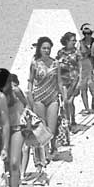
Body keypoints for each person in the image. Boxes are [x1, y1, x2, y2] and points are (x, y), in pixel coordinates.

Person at [0, 68, 29, 187]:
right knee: (7, 164)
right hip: (2, 130)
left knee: (14, 162)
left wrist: (25, 116)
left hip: (17, 127)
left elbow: (26, 103)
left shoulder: (15, 91)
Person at [28, 36, 62, 171]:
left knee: (51, 129)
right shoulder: (35, 63)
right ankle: (44, 155)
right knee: (41, 128)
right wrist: (30, 96)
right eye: (44, 48)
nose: (47, 51)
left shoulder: (56, 63)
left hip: (53, 97)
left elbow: (59, 82)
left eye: (48, 48)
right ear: (39, 49)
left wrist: (64, 98)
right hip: (39, 98)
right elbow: (30, 80)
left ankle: (49, 150)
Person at [56, 31, 81, 131]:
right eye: (73, 40)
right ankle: (67, 121)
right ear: (66, 41)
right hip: (63, 80)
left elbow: (81, 67)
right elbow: (57, 65)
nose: (75, 42)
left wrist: (79, 82)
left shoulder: (77, 53)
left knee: (70, 102)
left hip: (73, 81)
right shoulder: (60, 52)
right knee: (65, 101)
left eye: (75, 40)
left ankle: (73, 120)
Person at [77, 24, 94, 115]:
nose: (86, 35)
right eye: (85, 33)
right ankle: (86, 108)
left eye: (88, 33)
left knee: (93, 89)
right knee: (83, 89)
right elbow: (77, 56)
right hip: (83, 67)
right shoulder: (80, 43)